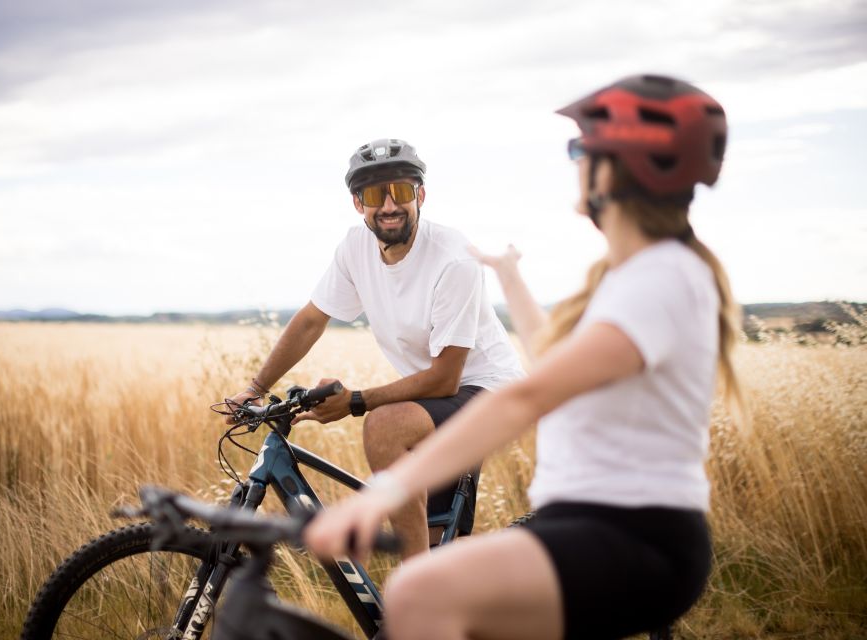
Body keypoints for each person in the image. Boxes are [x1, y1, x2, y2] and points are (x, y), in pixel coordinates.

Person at [305, 75, 745, 640]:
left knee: (420, 592)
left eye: (581, 150)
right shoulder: (633, 276)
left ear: (627, 168)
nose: (576, 163)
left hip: (635, 537)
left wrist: (387, 492)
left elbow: (529, 394)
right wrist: (509, 277)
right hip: (588, 522)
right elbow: (554, 361)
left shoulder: (661, 278)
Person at [227, 138, 525, 558]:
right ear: (357, 203)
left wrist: (356, 402)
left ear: (421, 195)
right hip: (436, 398)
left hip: (489, 391)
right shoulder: (356, 249)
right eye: (373, 194)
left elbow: (446, 378)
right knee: (443, 546)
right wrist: (256, 387)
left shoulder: (454, 260)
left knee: (384, 426)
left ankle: (413, 595)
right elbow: (313, 319)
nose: (389, 205)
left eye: (401, 191)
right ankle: (446, 596)